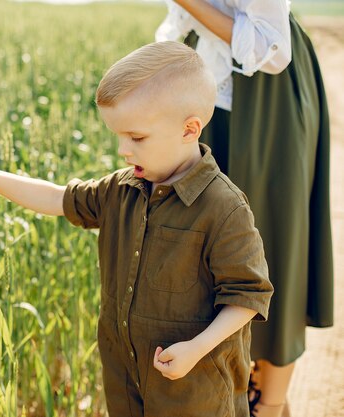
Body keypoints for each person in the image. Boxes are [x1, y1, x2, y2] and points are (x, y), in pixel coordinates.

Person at [0, 41, 274, 416]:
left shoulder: (223, 208)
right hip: (126, 380)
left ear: (189, 129)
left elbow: (247, 297)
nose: (124, 149)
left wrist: (197, 347)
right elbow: (59, 199)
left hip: (195, 391)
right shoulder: (120, 190)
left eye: (136, 138)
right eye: (118, 136)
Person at [155, 2, 334, 416]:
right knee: (212, 245)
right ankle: (241, 383)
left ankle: (270, 404)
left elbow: (272, 49)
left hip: (266, 95)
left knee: (271, 236)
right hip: (206, 87)